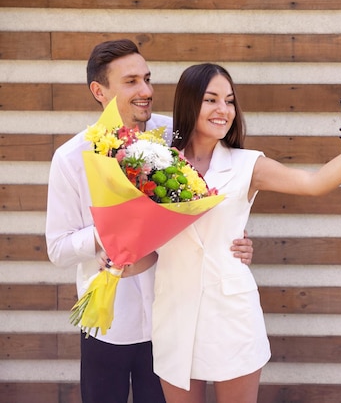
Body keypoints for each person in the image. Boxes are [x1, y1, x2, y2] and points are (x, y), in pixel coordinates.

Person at [150, 63, 341, 403]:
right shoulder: (157, 165)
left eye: (229, 101)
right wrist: (115, 260)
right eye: (211, 100)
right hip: (174, 312)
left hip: (230, 314)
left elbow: (313, 184)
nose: (223, 110)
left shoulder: (248, 164)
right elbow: (145, 243)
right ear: (188, 103)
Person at [45, 40, 254, 403]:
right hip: (106, 323)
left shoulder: (176, 136)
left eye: (147, 78)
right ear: (99, 91)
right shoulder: (70, 158)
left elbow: (216, 189)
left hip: (170, 324)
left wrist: (233, 239)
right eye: (131, 82)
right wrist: (111, 232)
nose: (146, 91)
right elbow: (57, 249)